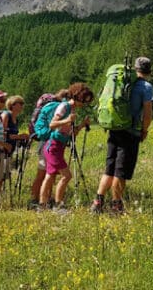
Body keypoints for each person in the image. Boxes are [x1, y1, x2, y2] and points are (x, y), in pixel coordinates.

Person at [90, 57, 153, 214]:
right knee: (121, 171)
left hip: (114, 129)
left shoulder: (120, 81)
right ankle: (116, 205)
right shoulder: (146, 87)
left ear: (135, 68)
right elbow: (147, 115)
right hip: (130, 132)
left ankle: (97, 203)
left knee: (109, 168)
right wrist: (144, 130)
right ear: (149, 71)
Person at [39, 83, 94, 213]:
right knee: (67, 176)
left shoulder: (72, 110)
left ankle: (42, 205)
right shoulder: (64, 106)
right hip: (53, 146)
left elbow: (72, 133)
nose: (84, 104)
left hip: (59, 146)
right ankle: (59, 205)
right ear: (77, 96)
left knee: (50, 176)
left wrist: (82, 124)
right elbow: (52, 124)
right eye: (84, 100)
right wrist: (67, 120)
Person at [28, 89, 69, 210]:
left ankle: (42, 200)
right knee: (43, 174)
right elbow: (55, 125)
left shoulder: (51, 105)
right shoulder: (57, 107)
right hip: (48, 142)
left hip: (46, 142)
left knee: (48, 174)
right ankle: (36, 201)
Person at [1, 96, 29, 181]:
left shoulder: (16, 119)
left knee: (6, 174)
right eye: (20, 103)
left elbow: (12, 135)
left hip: (10, 150)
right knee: (1, 175)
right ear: (12, 105)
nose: (22, 106)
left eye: (22, 103)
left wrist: (21, 137)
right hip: (2, 149)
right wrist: (20, 136)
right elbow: (2, 134)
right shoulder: (6, 115)